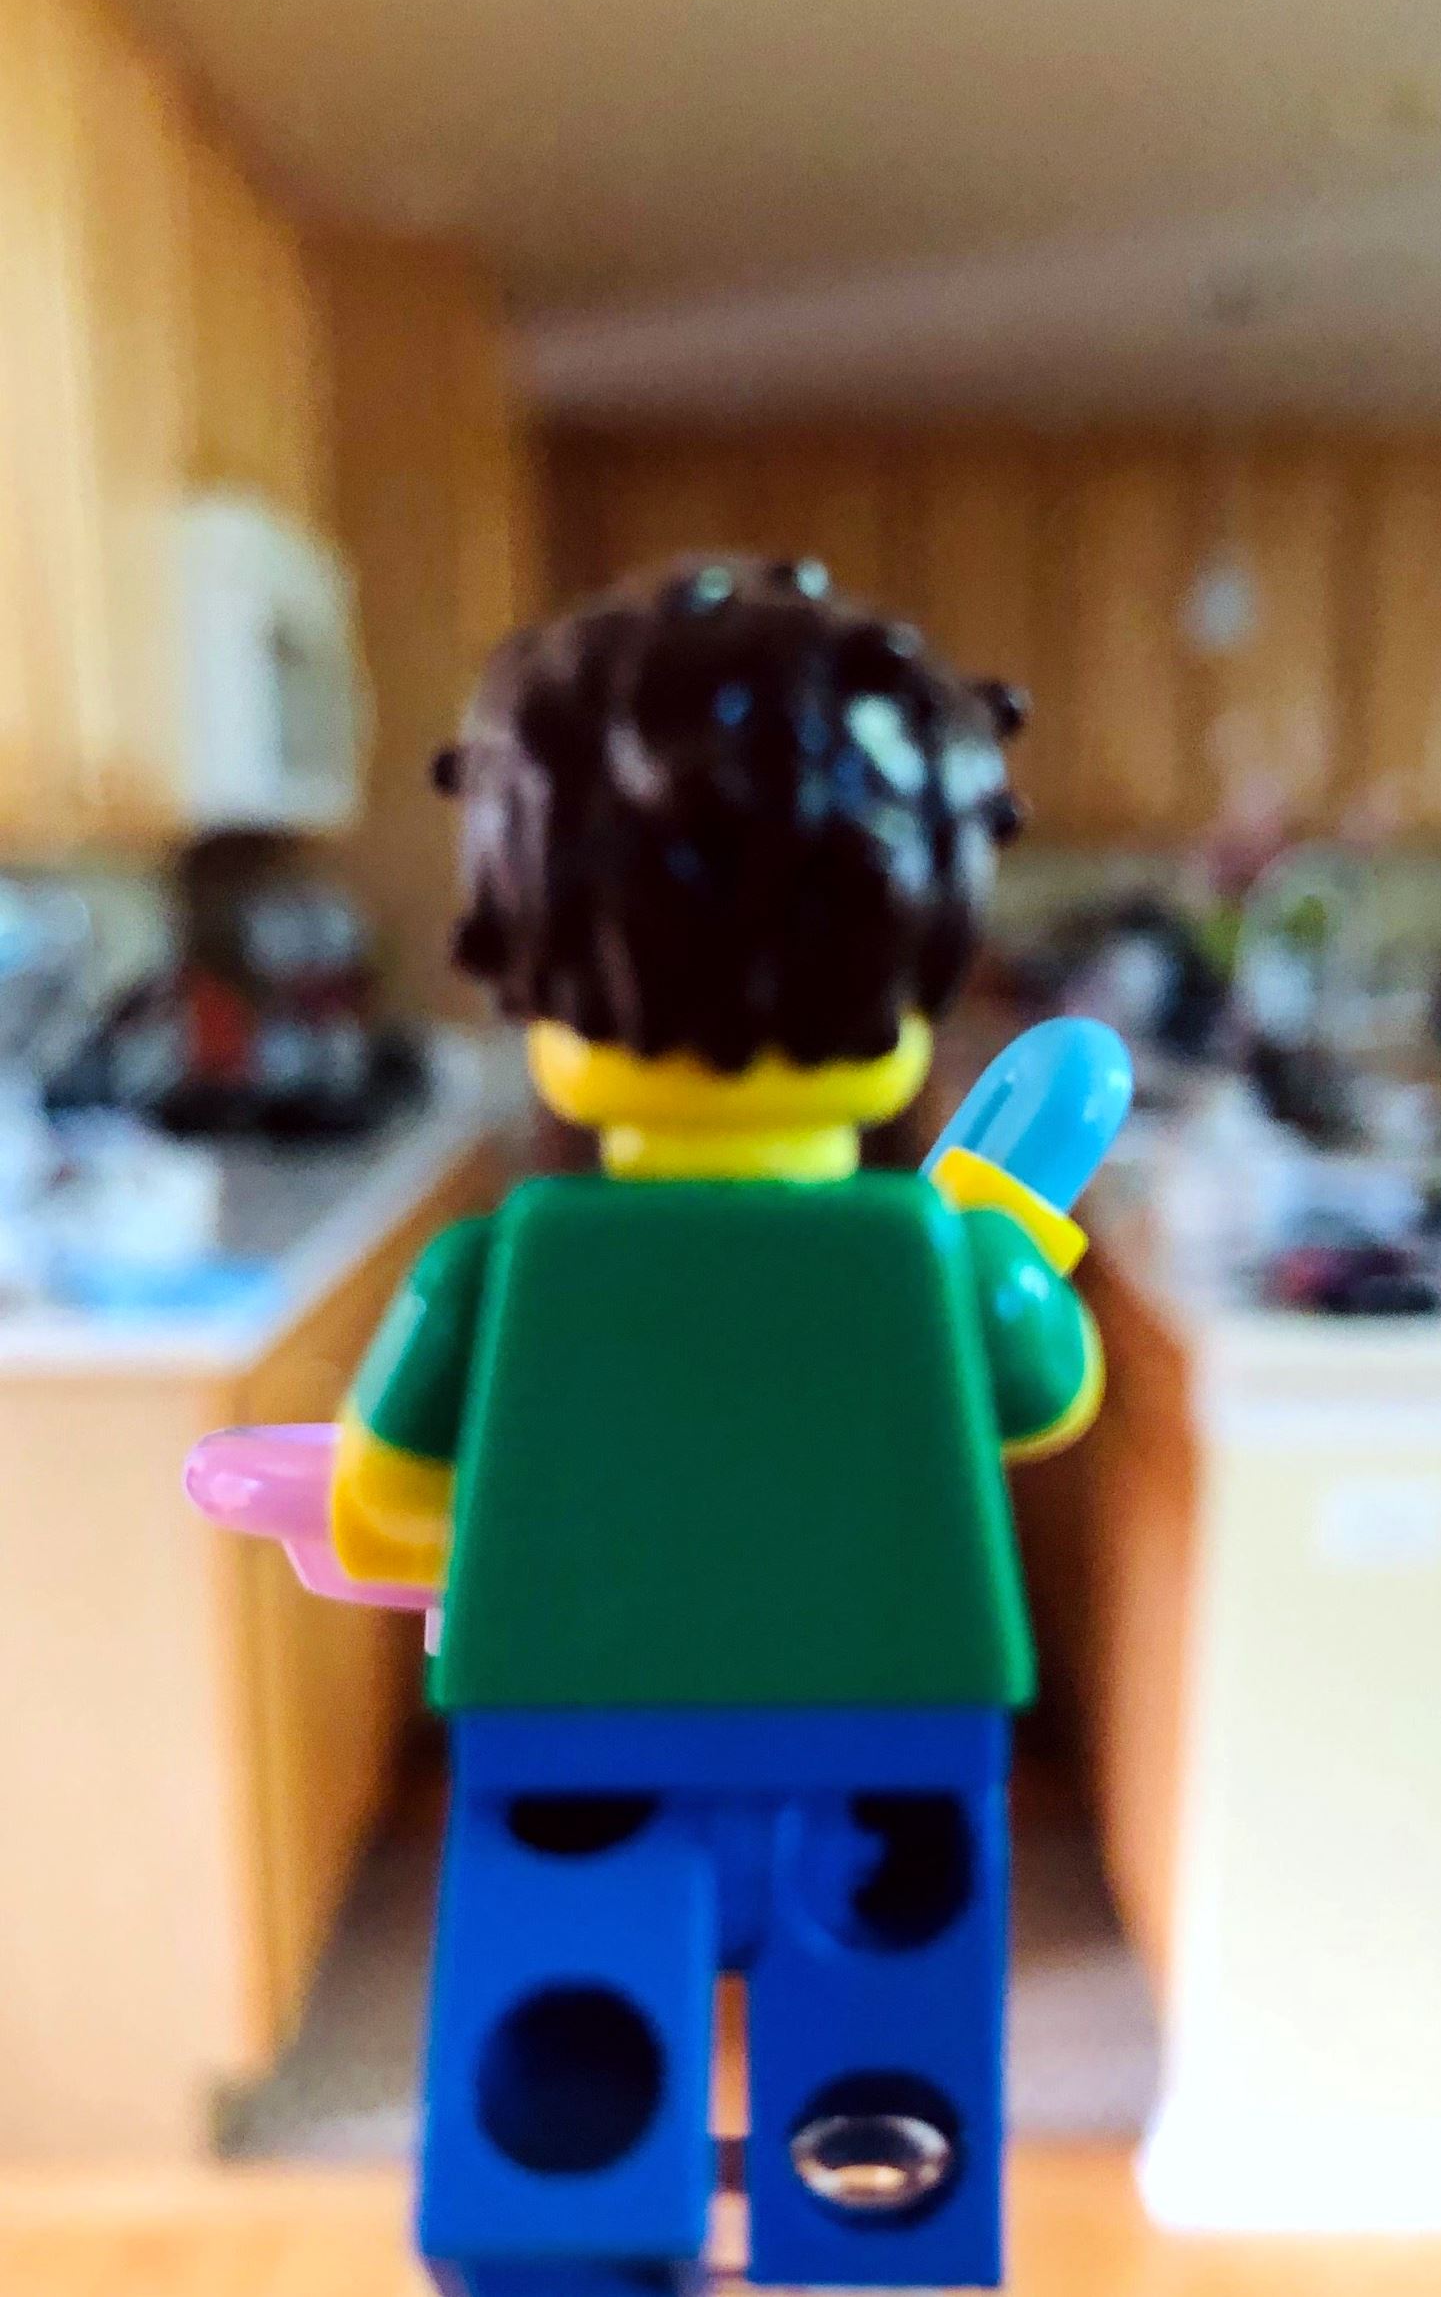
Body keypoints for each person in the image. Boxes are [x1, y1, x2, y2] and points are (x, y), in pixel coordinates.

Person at [329, 557, 1102, 2297]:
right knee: (887, 2180)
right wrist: (1004, 1232)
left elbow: (384, 1515)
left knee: (556, 2169)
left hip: (567, 1747)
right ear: (919, 949)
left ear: (528, 955)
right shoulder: (945, 1260)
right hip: (897, 1748)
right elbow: (1047, 1398)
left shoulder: (497, 1271)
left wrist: (512, 1511)